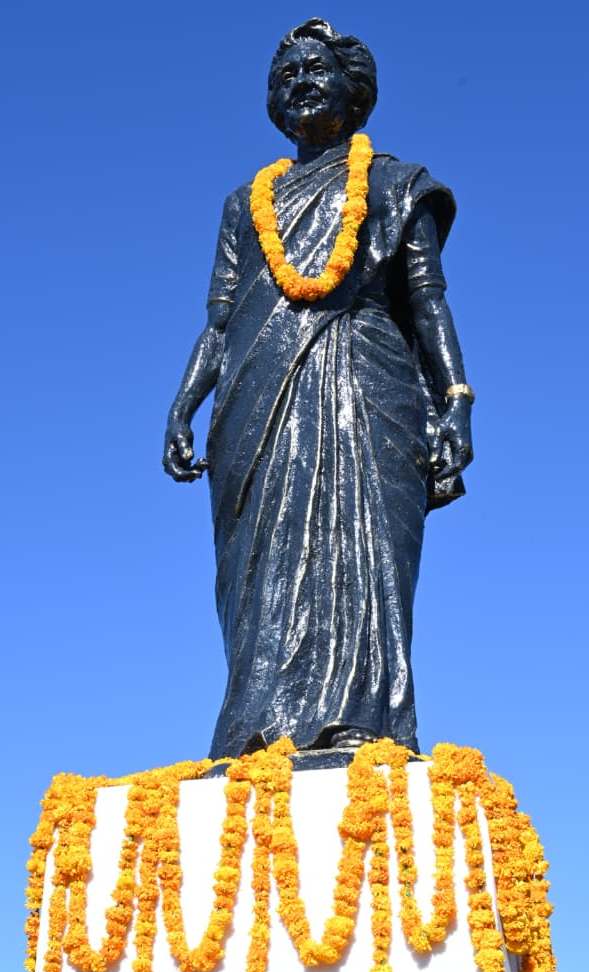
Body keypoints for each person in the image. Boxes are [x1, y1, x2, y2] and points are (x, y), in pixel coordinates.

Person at [163, 19, 473, 760]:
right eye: (285, 75)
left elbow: (427, 300)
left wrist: (457, 399)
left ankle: (363, 719)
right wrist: (182, 406)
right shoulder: (245, 204)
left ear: (353, 90)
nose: (299, 82)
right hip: (257, 397)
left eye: (315, 69)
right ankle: (256, 730)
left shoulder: (394, 184)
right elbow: (219, 322)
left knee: (364, 550)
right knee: (260, 567)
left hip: (367, 382)